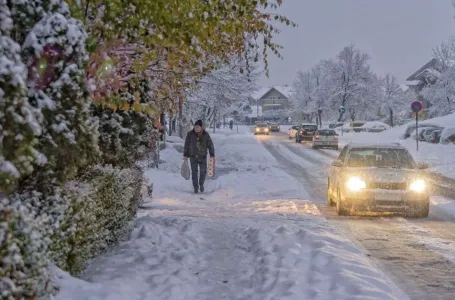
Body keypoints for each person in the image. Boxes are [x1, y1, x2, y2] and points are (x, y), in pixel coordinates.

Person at [184, 120, 215, 193]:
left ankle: (201, 184)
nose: (196, 128)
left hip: (202, 156)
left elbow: (210, 145)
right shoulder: (190, 134)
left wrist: (212, 155)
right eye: (195, 126)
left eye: (198, 127)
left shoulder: (205, 134)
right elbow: (186, 145)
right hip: (192, 156)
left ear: (201, 127)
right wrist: (185, 155)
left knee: (203, 172)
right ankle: (195, 187)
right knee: (194, 173)